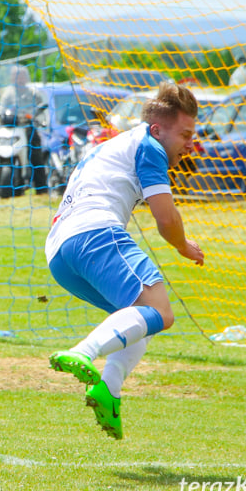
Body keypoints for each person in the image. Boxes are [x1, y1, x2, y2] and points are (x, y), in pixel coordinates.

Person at [45, 82, 205, 440]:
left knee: (138, 316)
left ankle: (109, 390)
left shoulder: (117, 145)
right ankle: (81, 353)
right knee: (162, 313)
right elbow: (167, 220)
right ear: (157, 129)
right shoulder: (150, 147)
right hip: (95, 233)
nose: (190, 144)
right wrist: (183, 246)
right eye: (184, 134)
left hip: (59, 251)